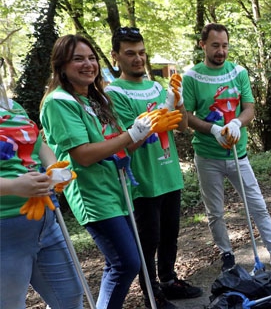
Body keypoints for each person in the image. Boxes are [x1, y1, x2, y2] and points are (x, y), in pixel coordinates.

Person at [40, 34, 173, 309]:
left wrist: (151, 124)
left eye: (91, 58)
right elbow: (83, 155)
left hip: (117, 189)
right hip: (93, 195)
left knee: (119, 262)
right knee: (127, 262)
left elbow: (122, 145)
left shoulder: (96, 99)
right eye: (78, 59)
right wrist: (129, 135)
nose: (88, 64)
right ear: (62, 65)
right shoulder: (59, 101)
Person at [182, 23, 271, 271]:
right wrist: (213, 129)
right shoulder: (191, 77)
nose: (221, 51)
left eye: (225, 46)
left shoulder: (238, 72)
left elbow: (249, 108)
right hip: (207, 156)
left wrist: (237, 122)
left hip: (238, 154)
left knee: (257, 203)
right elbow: (186, 116)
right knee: (215, 211)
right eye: (215, 45)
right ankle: (226, 254)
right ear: (202, 45)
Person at [105, 27, 202, 309]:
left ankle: (169, 280)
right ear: (115, 57)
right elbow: (124, 141)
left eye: (142, 53)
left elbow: (182, 127)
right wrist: (151, 124)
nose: (138, 59)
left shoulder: (158, 87)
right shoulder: (113, 93)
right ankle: (152, 294)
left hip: (169, 172)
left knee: (170, 234)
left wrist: (179, 101)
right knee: (148, 240)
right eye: (130, 53)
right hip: (142, 181)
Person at [0, 80, 83, 308]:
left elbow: (38, 145)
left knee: (70, 298)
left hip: (45, 223)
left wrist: (54, 167)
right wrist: (13, 186)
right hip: (4, 233)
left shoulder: (11, 106)